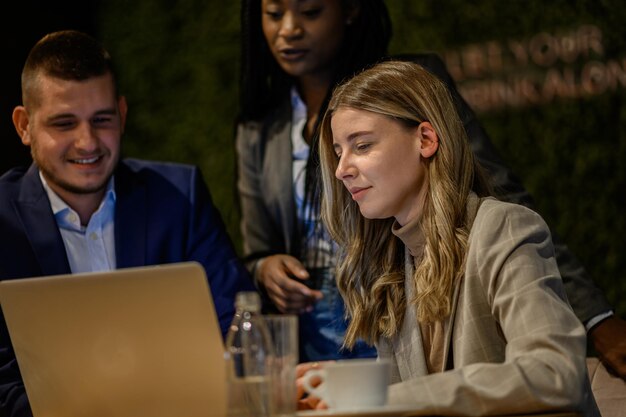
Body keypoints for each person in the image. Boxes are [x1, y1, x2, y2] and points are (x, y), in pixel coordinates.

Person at [236, 0, 626, 375]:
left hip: (400, 286)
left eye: (310, 11)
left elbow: (503, 196)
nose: (289, 29)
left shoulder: (407, 85)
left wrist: (596, 316)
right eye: (272, 13)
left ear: (350, 9)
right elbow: (257, 248)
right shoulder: (260, 129)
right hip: (321, 321)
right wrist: (265, 266)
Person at [309, 59, 600, 415]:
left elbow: (555, 374)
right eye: (339, 152)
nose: (341, 170)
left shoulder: (504, 228)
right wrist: (332, 389)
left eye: (363, 146)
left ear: (426, 139)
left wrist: (371, 398)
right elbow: (403, 398)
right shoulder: (391, 262)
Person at [0, 30, 255, 417]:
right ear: (24, 126)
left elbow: (235, 326)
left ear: (121, 114)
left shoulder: (179, 196)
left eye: (101, 119)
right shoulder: (3, 218)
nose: (88, 142)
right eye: (64, 124)